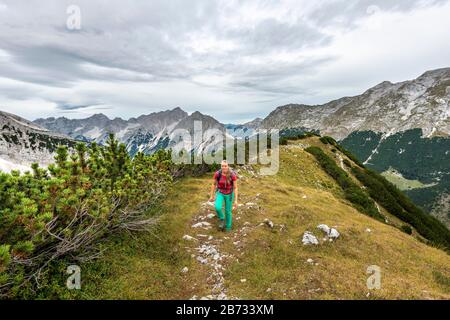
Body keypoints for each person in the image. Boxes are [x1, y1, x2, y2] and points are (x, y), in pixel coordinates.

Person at [209, 160, 238, 232]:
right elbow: (214, 184)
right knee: (217, 207)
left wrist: (236, 200)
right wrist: (212, 196)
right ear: (221, 166)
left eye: (225, 166)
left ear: (228, 166)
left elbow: (235, 187)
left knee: (228, 211)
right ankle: (222, 218)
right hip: (220, 192)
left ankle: (228, 227)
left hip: (230, 194)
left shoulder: (232, 175)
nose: (224, 167)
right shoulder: (218, 174)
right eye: (222, 166)